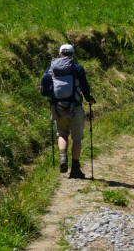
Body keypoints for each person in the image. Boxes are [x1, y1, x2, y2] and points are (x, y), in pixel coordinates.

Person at [39, 44, 95, 179]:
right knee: (77, 138)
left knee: (62, 134)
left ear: (60, 54)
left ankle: (63, 158)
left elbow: (45, 89)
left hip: (58, 107)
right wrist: (89, 99)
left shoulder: (51, 68)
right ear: (73, 54)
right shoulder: (77, 68)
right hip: (75, 107)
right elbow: (84, 86)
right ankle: (75, 169)